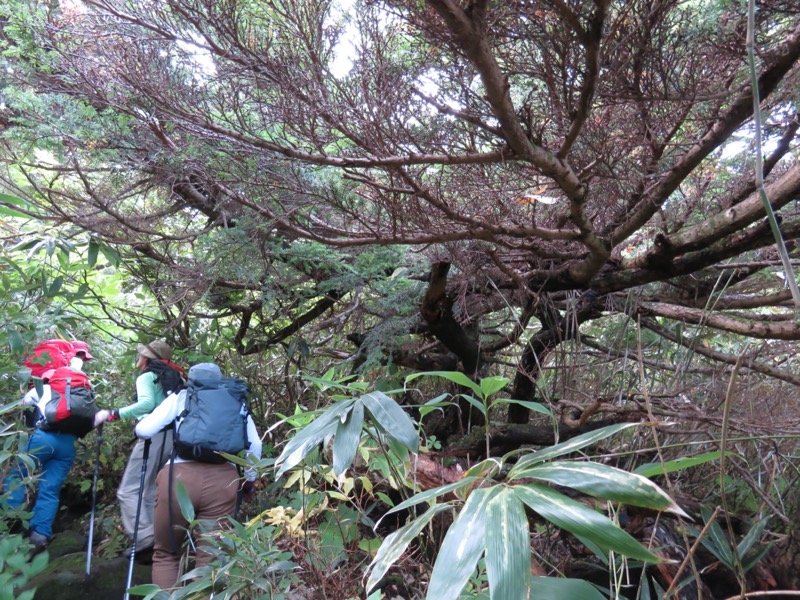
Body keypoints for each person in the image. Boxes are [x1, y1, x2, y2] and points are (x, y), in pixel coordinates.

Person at [134, 363, 262, 589]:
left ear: (190, 379)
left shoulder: (182, 397)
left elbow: (144, 430)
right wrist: (249, 480)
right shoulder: (236, 401)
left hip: (179, 479)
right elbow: (255, 446)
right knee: (209, 558)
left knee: (166, 553)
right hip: (224, 481)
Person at [93, 340, 185, 557]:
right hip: (174, 437)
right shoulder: (176, 376)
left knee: (128, 490)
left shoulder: (147, 376)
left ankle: (144, 537)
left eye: (141, 355)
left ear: (147, 358)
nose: (138, 358)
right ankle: (159, 538)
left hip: (153, 435)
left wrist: (112, 413)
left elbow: (145, 404)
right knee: (152, 489)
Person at [3, 342, 97, 550]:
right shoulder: (82, 389)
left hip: (43, 438)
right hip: (68, 443)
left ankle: (10, 522)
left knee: (17, 476)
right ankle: (40, 535)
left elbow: (23, 405)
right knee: (50, 488)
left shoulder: (44, 387)